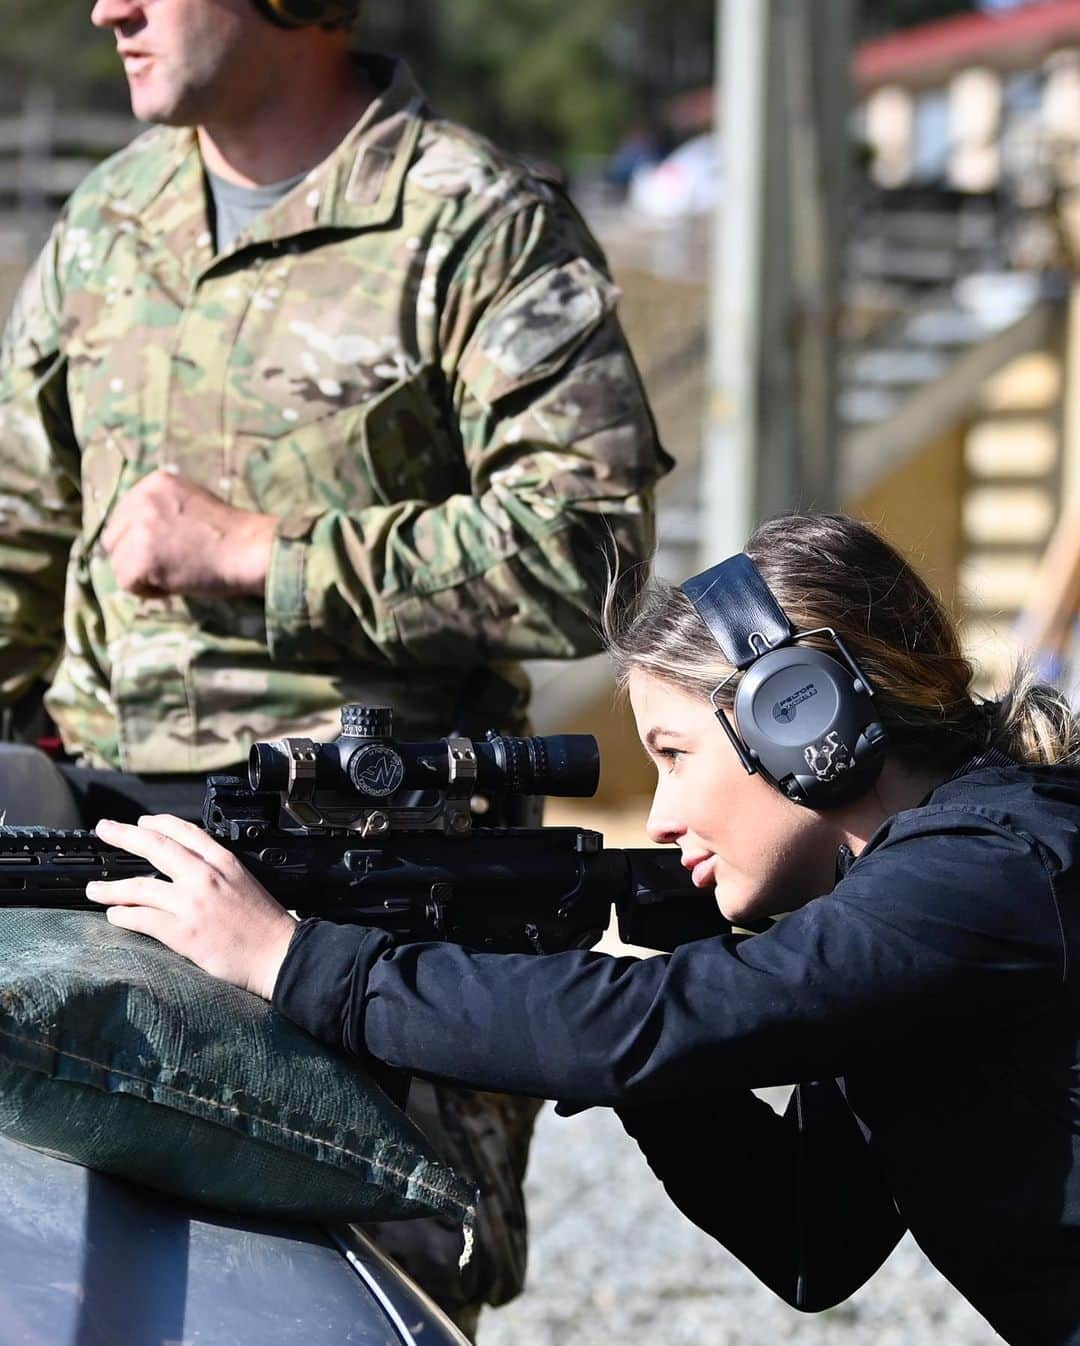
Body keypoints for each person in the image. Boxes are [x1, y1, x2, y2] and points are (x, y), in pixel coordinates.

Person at [0, 0, 669, 1332]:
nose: (106, 8)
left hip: (363, 880)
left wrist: (265, 552)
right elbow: (20, 534)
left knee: (354, 1290)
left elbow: (598, 551)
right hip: (98, 842)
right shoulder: (111, 218)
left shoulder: (472, 221)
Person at [88, 512, 1080, 1345]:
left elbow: (650, 1024)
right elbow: (813, 1232)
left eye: (675, 753)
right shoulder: (914, 893)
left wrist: (292, 960)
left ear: (802, 716)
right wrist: (615, 1021)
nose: (659, 815)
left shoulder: (982, 875)